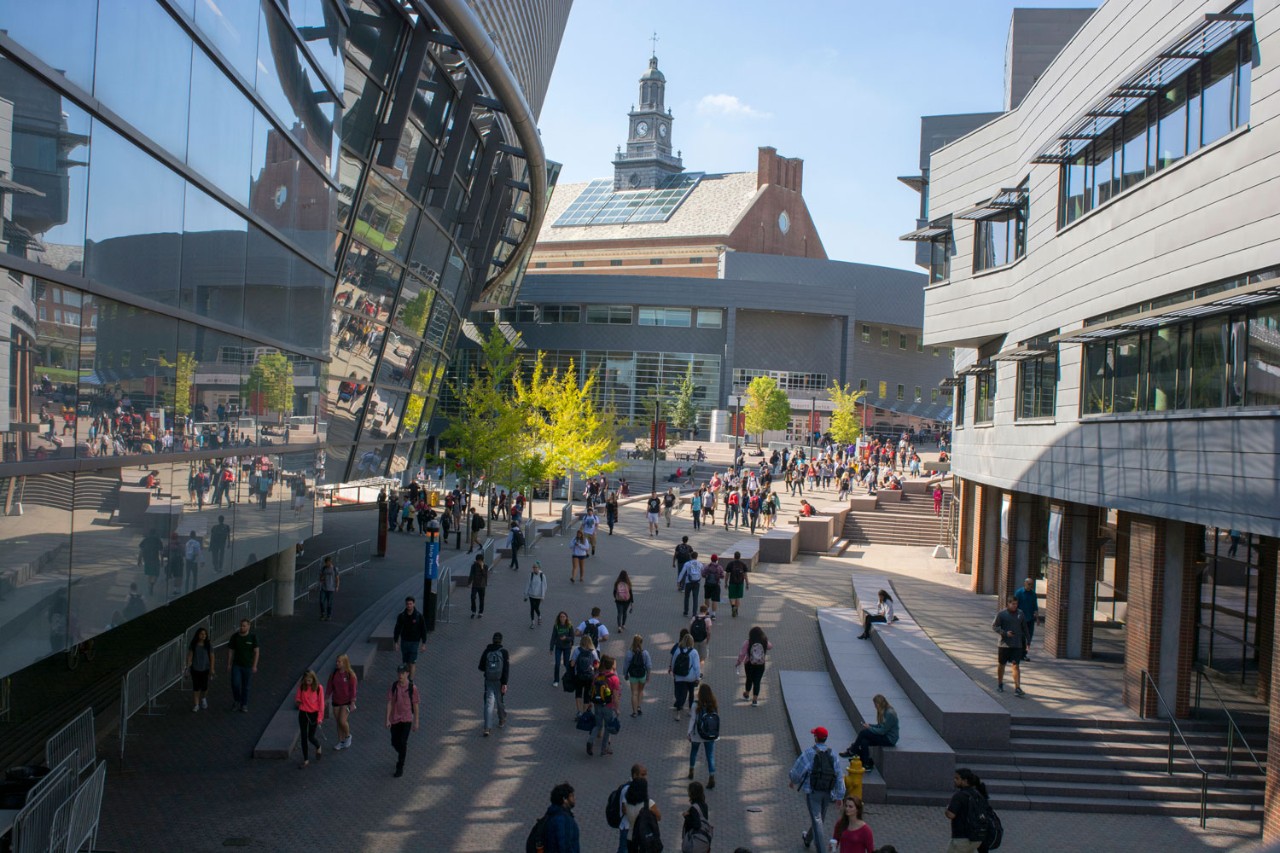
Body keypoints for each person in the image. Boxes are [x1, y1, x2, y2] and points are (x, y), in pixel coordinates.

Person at [788, 725, 845, 850]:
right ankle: (808, 838)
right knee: (819, 819)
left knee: (817, 820)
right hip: (828, 791)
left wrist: (793, 780)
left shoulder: (809, 753)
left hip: (813, 792)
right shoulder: (833, 754)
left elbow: (797, 771)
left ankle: (821, 850)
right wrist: (840, 795)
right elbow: (839, 775)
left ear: (815, 737)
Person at [839, 694, 899, 770]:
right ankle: (866, 763)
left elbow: (882, 731)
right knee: (864, 741)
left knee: (864, 733)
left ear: (878, 704)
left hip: (889, 739)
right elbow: (880, 726)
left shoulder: (889, 714)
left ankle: (852, 750)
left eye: (875, 704)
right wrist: (870, 726)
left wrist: (869, 728)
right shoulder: (884, 711)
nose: (874, 707)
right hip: (884, 736)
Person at [385, 664, 420, 777]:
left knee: (403, 741)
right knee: (395, 742)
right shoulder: (394, 686)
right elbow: (390, 702)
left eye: (403, 673)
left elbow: (415, 705)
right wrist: (387, 719)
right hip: (395, 718)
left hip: (406, 719)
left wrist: (416, 721)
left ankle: (400, 765)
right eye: (399, 673)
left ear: (407, 674)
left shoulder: (412, 688)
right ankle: (402, 752)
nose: (400, 675)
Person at [613, 764, 655, 853]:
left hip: (634, 827)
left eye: (646, 774)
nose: (645, 777)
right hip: (627, 827)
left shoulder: (637, 787)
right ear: (635, 775)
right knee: (624, 850)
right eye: (642, 775)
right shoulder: (628, 789)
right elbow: (624, 809)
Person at [993, 596, 1028, 696]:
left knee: (1015, 665)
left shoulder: (1020, 614)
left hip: (1017, 644)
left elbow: (1025, 628)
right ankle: (1000, 684)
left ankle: (1017, 687)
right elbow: (994, 626)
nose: (1015, 606)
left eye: (1016, 604)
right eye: (1013, 604)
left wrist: (1028, 641)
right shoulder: (1001, 614)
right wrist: (1004, 633)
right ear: (1008, 604)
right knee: (1001, 664)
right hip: (1004, 644)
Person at [587, 654, 621, 756]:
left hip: (597, 704)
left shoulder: (597, 676)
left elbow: (591, 691)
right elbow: (615, 695)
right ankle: (603, 749)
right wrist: (617, 708)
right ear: (611, 666)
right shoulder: (614, 678)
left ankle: (590, 741)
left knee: (597, 725)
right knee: (607, 727)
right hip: (608, 706)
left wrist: (590, 703)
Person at [687, 683, 720, 789]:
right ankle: (711, 777)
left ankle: (691, 770)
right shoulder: (713, 704)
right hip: (710, 734)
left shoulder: (696, 705)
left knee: (694, 752)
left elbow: (693, 719)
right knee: (710, 756)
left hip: (698, 733)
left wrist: (689, 732)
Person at [478, 631, 509, 737]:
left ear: (492, 640)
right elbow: (506, 669)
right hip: (499, 681)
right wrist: (504, 683)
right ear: (501, 641)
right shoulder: (504, 652)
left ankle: (487, 727)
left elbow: (481, 667)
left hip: (488, 680)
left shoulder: (487, 651)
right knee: (500, 702)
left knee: (488, 703)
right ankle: (502, 720)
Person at [945, 768, 983, 853]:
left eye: (957, 778)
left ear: (965, 781)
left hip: (961, 838)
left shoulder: (959, 796)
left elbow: (951, 815)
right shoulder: (977, 794)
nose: (954, 780)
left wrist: (947, 809)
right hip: (976, 838)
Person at [226, 618, 259, 712]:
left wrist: (254, 665)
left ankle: (244, 704)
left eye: (244, 626)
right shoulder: (235, 637)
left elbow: (256, 652)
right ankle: (237, 700)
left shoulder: (253, 637)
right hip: (237, 665)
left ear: (249, 626)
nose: (242, 627)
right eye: (241, 625)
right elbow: (230, 651)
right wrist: (229, 663)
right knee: (235, 684)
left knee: (246, 686)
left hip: (248, 666)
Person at [327, 653, 358, 751]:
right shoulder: (333, 674)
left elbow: (353, 690)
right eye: (336, 661)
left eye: (339, 661)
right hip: (336, 701)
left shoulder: (350, 675)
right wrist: (325, 699)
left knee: (342, 721)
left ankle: (348, 736)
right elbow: (329, 688)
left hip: (346, 702)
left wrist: (352, 702)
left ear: (344, 662)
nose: (337, 663)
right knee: (338, 723)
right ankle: (341, 741)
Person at [294, 670, 325, 768]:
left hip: (313, 715)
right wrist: (299, 702)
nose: (308, 682)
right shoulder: (301, 687)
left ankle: (318, 746)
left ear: (313, 679)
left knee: (310, 736)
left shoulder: (319, 688)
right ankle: (306, 760)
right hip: (303, 713)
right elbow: (298, 698)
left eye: (309, 681)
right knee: (303, 736)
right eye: (306, 680)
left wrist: (319, 718)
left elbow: (321, 705)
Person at [623, 777, 662, 851]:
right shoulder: (649, 803)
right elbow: (659, 817)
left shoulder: (627, 804)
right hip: (646, 838)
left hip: (631, 837)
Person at [736, 625, 772, 706]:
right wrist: (765, 640)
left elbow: (742, 653)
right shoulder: (764, 641)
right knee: (757, 681)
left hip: (749, 664)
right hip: (761, 664)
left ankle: (747, 694)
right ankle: (755, 700)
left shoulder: (748, 642)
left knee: (749, 679)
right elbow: (770, 646)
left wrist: (739, 662)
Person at [669, 633, 701, 721]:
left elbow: (673, 661)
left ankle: (678, 714)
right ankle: (690, 710)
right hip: (690, 677)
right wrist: (698, 677)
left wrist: (673, 672)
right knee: (691, 693)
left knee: (680, 695)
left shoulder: (678, 650)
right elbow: (697, 666)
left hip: (680, 676)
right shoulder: (694, 652)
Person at [541, 782, 581, 853]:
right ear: (564, 799)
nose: (574, 799)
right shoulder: (563, 819)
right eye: (571, 796)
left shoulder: (551, 814)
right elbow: (565, 846)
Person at [393, 596, 427, 678]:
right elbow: (397, 629)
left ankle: (411, 682)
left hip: (414, 642)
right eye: (407, 604)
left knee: (412, 663)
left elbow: (423, 630)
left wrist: (423, 643)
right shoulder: (401, 616)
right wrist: (396, 642)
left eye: (410, 604)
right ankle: (407, 679)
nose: (409, 605)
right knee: (406, 663)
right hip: (404, 642)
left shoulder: (419, 616)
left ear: (414, 604)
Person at [623, 634, 652, 717]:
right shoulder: (645, 653)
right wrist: (648, 675)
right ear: (641, 642)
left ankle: (634, 712)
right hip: (642, 675)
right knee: (640, 691)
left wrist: (625, 674)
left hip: (633, 676)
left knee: (634, 693)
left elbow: (626, 666)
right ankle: (639, 706)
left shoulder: (629, 653)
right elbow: (649, 665)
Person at [186, 626, 214, 712]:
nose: (203, 635)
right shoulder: (193, 645)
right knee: (196, 687)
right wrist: (187, 668)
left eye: (205, 634)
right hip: (195, 668)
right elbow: (190, 656)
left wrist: (212, 668)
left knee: (204, 687)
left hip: (205, 668)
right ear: (198, 635)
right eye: (202, 634)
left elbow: (212, 657)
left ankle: (204, 698)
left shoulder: (208, 645)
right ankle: (196, 704)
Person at [571, 634, 600, 715]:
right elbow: (597, 664)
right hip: (589, 676)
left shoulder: (577, 650)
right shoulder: (593, 651)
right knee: (587, 695)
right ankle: (584, 713)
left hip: (579, 675)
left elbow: (572, 664)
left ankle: (579, 711)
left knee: (578, 693)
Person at [682, 781, 711, 853]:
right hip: (703, 840)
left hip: (694, 841)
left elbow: (696, 825)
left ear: (692, 794)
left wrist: (686, 816)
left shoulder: (694, 808)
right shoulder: (704, 805)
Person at [1014, 577, 1040, 658]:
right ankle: (1019, 653)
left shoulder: (1033, 594)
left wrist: (1037, 618)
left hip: (1030, 619)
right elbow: (1014, 605)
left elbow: (1035, 607)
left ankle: (1024, 653)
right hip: (1020, 619)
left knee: (1029, 637)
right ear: (1025, 583)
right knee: (1021, 636)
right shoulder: (1019, 593)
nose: (1030, 586)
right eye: (1029, 584)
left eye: (1032, 584)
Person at [550, 611, 575, 686]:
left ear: (566, 618)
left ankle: (569, 677)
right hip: (558, 647)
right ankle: (556, 680)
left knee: (566, 663)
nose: (562, 618)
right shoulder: (556, 626)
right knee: (557, 664)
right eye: (561, 617)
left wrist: (566, 638)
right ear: (559, 618)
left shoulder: (569, 626)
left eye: (564, 616)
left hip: (567, 647)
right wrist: (551, 648)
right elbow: (553, 637)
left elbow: (572, 637)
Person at [678, 551, 704, 617]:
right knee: (695, 598)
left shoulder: (687, 564)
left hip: (688, 582)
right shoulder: (700, 564)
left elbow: (682, 572)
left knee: (687, 597)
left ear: (691, 556)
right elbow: (703, 573)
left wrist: (678, 581)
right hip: (697, 583)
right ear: (697, 557)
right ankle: (694, 613)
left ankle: (686, 611)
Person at [725, 551, 750, 618]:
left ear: (734, 556)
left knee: (731, 596)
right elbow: (745, 575)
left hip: (732, 582)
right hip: (740, 583)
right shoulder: (743, 564)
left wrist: (725, 583)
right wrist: (747, 583)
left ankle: (733, 607)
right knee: (738, 597)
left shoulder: (730, 564)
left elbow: (727, 574)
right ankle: (736, 609)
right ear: (740, 557)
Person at [525, 561, 547, 629]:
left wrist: (543, 596)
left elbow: (544, 586)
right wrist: (525, 594)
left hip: (538, 595)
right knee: (532, 608)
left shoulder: (542, 575)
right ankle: (532, 622)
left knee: (536, 608)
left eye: (535, 567)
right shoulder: (531, 575)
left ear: (539, 568)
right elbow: (528, 584)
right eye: (533, 567)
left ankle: (539, 616)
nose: (534, 569)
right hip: (531, 595)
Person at [702, 555, 724, 619]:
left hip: (708, 584)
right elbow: (722, 576)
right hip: (716, 585)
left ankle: (707, 612)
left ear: (711, 559)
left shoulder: (707, 566)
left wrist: (707, 576)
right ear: (717, 560)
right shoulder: (719, 567)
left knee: (707, 598)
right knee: (714, 600)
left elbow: (703, 574)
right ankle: (713, 614)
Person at [318, 556, 339, 621]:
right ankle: (322, 614)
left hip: (331, 588)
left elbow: (337, 578)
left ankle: (329, 615)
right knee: (321, 601)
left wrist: (337, 586)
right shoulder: (324, 568)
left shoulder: (335, 569)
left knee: (329, 603)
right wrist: (322, 578)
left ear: (330, 562)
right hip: (324, 588)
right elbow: (320, 578)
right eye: (325, 563)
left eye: (327, 563)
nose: (326, 564)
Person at [468, 554, 489, 619]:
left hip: (482, 585)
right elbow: (471, 574)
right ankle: (473, 611)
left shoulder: (485, 566)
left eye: (480, 560)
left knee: (481, 599)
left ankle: (480, 612)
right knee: (473, 597)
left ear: (482, 560)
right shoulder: (473, 566)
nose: (479, 562)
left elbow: (485, 575)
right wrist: (469, 583)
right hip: (475, 585)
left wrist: (482, 567)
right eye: (478, 560)